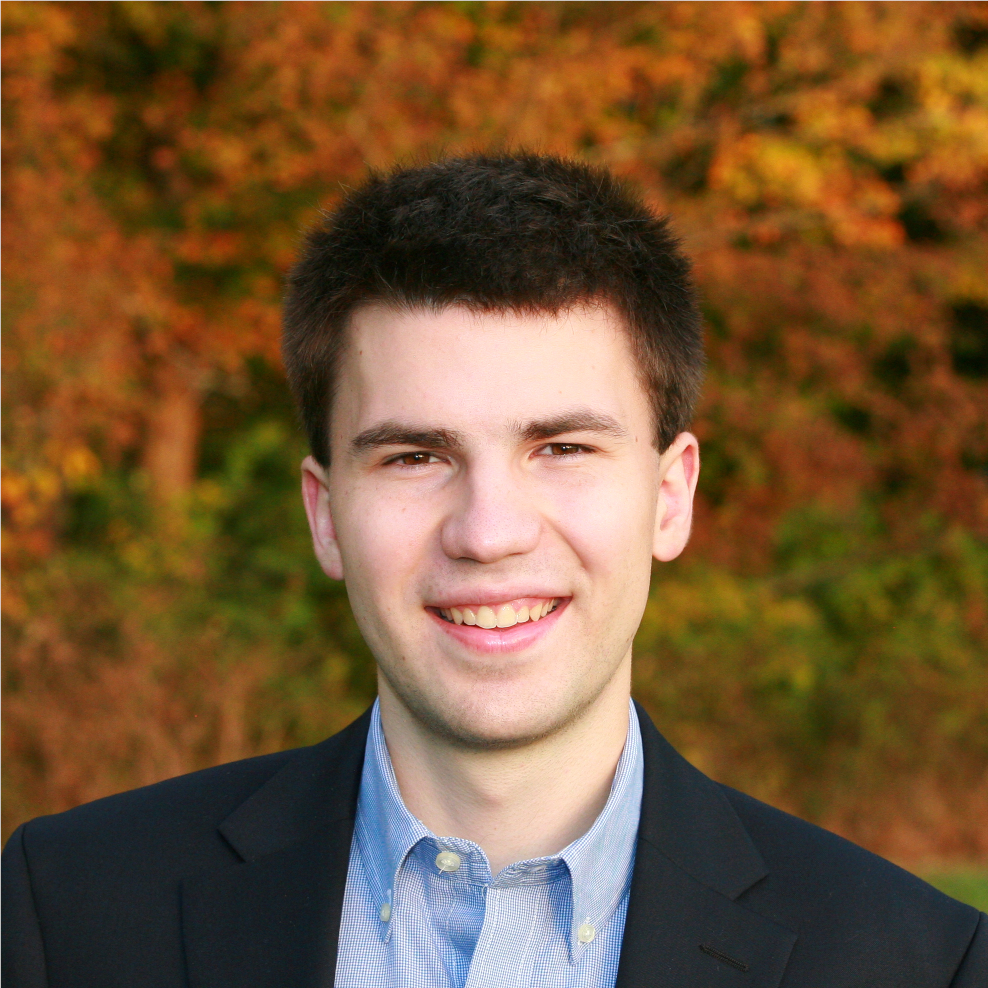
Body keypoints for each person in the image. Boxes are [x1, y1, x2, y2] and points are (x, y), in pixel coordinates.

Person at [3, 154, 985, 988]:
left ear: (670, 495)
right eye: (414, 456)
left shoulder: (910, 962)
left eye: (560, 447)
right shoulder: (72, 915)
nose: (488, 531)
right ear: (324, 513)